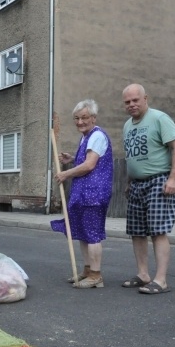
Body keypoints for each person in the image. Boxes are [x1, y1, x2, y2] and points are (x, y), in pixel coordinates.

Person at [120, 83, 175, 294]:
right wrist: (130, 181)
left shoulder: (159, 118)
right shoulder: (127, 126)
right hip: (137, 185)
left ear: (145, 98)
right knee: (137, 232)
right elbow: (132, 156)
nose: (131, 105)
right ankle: (143, 274)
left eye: (135, 100)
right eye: (127, 102)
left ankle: (161, 280)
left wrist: (173, 179)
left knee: (158, 231)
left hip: (159, 181)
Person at [51, 99, 113, 288]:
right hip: (85, 193)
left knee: (92, 234)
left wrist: (65, 174)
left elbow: (89, 165)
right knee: (84, 233)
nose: (80, 122)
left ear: (93, 118)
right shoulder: (86, 137)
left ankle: (96, 276)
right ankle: (88, 271)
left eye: (84, 118)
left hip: (93, 194)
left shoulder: (97, 136)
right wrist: (72, 159)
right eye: (76, 118)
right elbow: (85, 160)